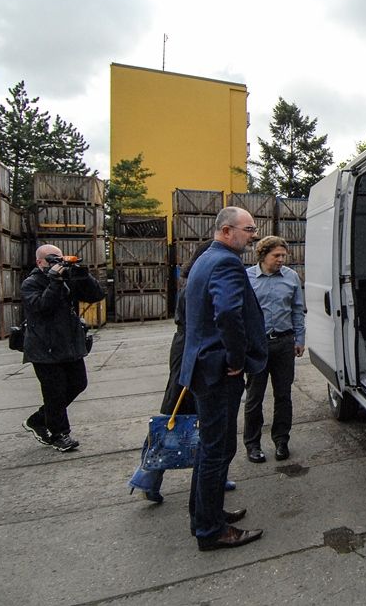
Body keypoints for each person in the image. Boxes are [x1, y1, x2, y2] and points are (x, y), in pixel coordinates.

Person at [179, 207, 268, 551]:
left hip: (203, 367)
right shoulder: (226, 262)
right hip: (218, 370)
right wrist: (235, 359)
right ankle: (211, 530)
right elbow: (229, 312)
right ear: (227, 231)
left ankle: (204, 514)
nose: (253, 236)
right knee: (219, 450)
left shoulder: (207, 258)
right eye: (248, 230)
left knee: (210, 448)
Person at [127, 240, 236, 503]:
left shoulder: (193, 284)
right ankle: (148, 476)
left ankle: (209, 478)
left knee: (190, 417)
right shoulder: (197, 287)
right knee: (174, 416)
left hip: (190, 351)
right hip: (192, 354)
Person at [21, 244, 106, 452]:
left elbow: (96, 295)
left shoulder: (67, 279)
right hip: (44, 349)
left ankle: (39, 419)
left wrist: (81, 274)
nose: (57, 264)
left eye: (60, 259)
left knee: (78, 383)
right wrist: (54, 282)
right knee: (55, 392)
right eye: (52, 260)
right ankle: (60, 434)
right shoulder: (31, 283)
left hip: (69, 345)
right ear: (40, 262)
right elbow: (43, 307)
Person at [244, 236, 305, 463]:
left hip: (283, 344)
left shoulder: (291, 277)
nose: (281, 260)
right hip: (257, 346)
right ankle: (253, 444)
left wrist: (299, 339)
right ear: (263, 255)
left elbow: (298, 310)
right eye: (276, 256)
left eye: (283, 255)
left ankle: (281, 440)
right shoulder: (247, 278)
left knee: (283, 395)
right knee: (254, 397)